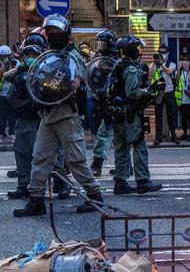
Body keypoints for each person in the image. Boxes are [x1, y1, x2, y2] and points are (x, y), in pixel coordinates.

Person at [14, 14, 103, 217]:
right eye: (50, 32)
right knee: (40, 158)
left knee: (76, 159)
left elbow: (75, 82)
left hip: (66, 114)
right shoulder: (47, 55)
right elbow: (37, 78)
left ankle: (95, 194)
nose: (54, 35)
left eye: (57, 32)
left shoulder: (73, 56)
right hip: (47, 113)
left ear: (66, 33)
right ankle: (36, 199)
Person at [108, 35, 163, 194]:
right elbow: (132, 92)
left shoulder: (118, 65)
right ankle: (143, 181)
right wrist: (148, 91)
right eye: (137, 47)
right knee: (139, 145)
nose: (140, 50)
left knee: (121, 148)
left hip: (117, 113)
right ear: (131, 49)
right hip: (130, 114)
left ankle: (120, 182)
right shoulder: (131, 68)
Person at [6, 42, 45, 199]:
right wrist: (29, 105)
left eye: (34, 56)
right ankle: (24, 185)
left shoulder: (47, 72)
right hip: (26, 118)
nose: (31, 59)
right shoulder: (19, 76)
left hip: (44, 118)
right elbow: (10, 97)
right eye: (28, 56)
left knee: (44, 154)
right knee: (22, 151)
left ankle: (57, 184)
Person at [89, 30, 119, 176]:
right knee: (111, 133)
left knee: (106, 133)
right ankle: (124, 166)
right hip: (102, 100)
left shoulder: (116, 62)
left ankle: (98, 163)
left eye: (103, 44)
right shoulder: (101, 60)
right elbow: (93, 78)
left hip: (113, 102)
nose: (100, 47)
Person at [150, 44, 179, 145]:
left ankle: (173, 136)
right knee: (158, 116)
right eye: (160, 52)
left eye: (164, 52)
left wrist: (161, 64)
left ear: (168, 53)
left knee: (171, 115)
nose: (162, 54)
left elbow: (169, 71)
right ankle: (158, 137)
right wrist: (154, 63)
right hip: (159, 93)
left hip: (169, 92)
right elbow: (150, 74)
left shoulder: (172, 63)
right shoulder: (155, 64)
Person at [0, 45, 17, 143]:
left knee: (12, 115)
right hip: (2, 93)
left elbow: (17, 72)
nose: (5, 58)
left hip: (12, 93)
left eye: (6, 56)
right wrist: (3, 64)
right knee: (2, 115)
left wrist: (12, 65)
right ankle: (1, 134)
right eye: (2, 56)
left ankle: (11, 133)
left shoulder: (14, 62)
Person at [175, 55, 190, 141]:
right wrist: (179, 68)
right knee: (183, 118)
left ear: (189, 62)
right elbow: (176, 80)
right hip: (181, 99)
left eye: (186, 61)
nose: (184, 63)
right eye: (182, 61)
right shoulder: (179, 72)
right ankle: (185, 133)